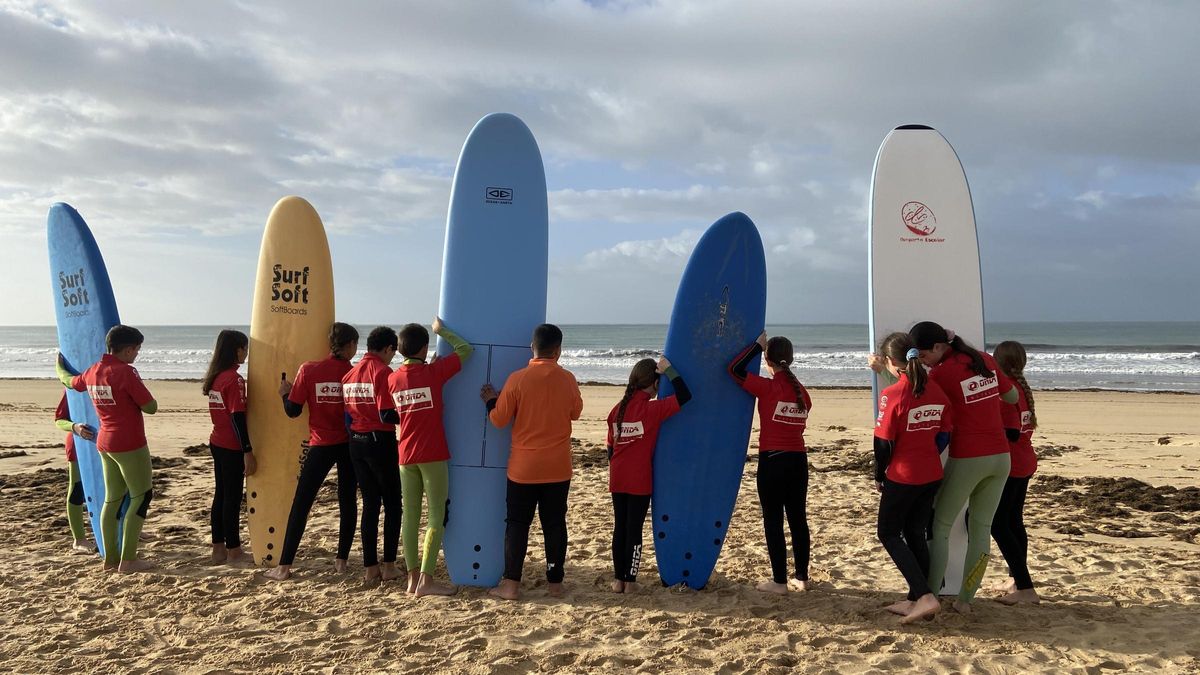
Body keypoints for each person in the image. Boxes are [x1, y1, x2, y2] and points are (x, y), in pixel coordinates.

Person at [905, 321, 1018, 614]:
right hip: (1001, 459)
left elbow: (916, 398)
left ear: (940, 347)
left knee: (939, 527)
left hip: (969, 457)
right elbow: (1012, 397)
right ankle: (965, 601)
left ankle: (927, 596)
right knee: (980, 530)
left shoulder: (942, 374)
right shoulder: (985, 360)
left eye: (924, 356)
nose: (923, 363)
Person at [480, 323, 583, 601]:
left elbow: (499, 420)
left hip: (523, 468)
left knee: (517, 524)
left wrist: (491, 401)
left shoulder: (517, 379)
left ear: (532, 347)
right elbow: (576, 412)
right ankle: (555, 584)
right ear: (558, 351)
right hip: (558, 467)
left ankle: (511, 585)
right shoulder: (568, 379)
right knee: (554, 524)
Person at [56, 324, 158, 573]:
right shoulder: (126, 372)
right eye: (136, 350)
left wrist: (59, 367)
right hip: (130, 443)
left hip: (105, 442)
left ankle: (110, 559)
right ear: (128, 349)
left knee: (112, 499)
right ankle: (129, 559)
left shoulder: (93, 371)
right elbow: (150, 406)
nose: (137, 355)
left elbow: (70, 381)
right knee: (141, 496)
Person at [265, 323, 360, 581]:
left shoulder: (308, 370)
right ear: (350, 345)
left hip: (320, 445)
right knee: (347, 500)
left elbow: (293, 411)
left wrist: (285, 394)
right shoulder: (354, 375)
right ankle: (341, 561)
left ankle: (284, 567)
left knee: (302, 503)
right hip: (348, 445)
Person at [869, 333, 952, 624]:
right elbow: (944, 434)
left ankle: (925, 596)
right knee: (915, 533)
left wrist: (880, 475)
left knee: (888, 533)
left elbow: (883, 444)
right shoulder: (936, 391)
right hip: (931, 473)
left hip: (904, 476)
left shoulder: (892, 395)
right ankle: (917, 597)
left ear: (892, 362)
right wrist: (928, 452)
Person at [388, 317, 474, 597]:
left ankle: (412, 579)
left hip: (405, 455)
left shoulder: (392, 378)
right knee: (436, 514)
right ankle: (427, 579)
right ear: (425, 348)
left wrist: (428, 363)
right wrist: (442, 331)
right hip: (433, 452)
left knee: (410, 517)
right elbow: (466, 350)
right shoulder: (434, 373)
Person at [728, 332, 813, 595]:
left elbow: (733, 369)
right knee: (798, 519)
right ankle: (802, 578)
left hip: (773, 462)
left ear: (768, 360)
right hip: (798, 461)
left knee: (773, 521)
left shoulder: (767, 387)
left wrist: (756, 346)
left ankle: (779, 582)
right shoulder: (803, 394)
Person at [605, 356, 690, 594]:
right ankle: (630, 582)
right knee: (634, 529)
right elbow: (685, 395)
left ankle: (617, 581)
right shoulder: (652, 409)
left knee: (619, 527)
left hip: (618, 476)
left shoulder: (616, 410)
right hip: (639, 478)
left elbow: (610, 448)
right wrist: (670, 370)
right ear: (654, 384)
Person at [342, 326, 402, 583]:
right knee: (393, 505)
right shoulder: (382, 372)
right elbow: (387, 414)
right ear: (388, 348)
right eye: (393, 352)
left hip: (356, 441)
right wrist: (411, 416)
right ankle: (388, 566)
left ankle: (370, 568)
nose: (392, 358)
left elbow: (346, 414)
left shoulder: (350, 374)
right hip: (380, 440)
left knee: (370, 504)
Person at [989, 340, 1041, 605]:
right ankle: (1016, 579)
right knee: (1014, 522)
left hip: (1012, 464)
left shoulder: (1006, 392)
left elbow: (1009, 432)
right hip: (1024, 461)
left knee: (999, 524)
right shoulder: (1022, 387)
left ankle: (1026, 587)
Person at [202, 329, 256, 565]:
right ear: (237, 350)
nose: (246, 353)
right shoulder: (234, 380)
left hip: (217, 441)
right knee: (232, 498)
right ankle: (234, 550)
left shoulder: (215, 377)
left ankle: (218, 549)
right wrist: (247, 450)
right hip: (232, 446)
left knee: (221, 495)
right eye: (245, 348)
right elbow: (237, 417)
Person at [54, 391, 97, 554]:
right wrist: (74, 427)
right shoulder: (74, 387)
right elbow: (59, 420)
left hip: (108, 441)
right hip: (80, 442)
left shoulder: (109, 378)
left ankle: (127, 529)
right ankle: (79, 539)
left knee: (120, 487)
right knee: (78, 488)